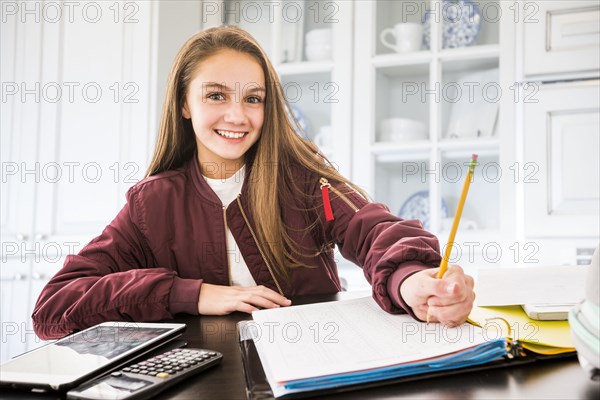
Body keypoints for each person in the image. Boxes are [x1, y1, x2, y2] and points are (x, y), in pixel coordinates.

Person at [32, 26, 475, 340]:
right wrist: (192, 294)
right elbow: (55, 307)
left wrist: (411, 279)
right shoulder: (153, 204)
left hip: (312, 363)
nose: (238, 116)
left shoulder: (305, 178)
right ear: (185, 105)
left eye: (253, 99)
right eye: (216, 95)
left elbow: (375, 228)